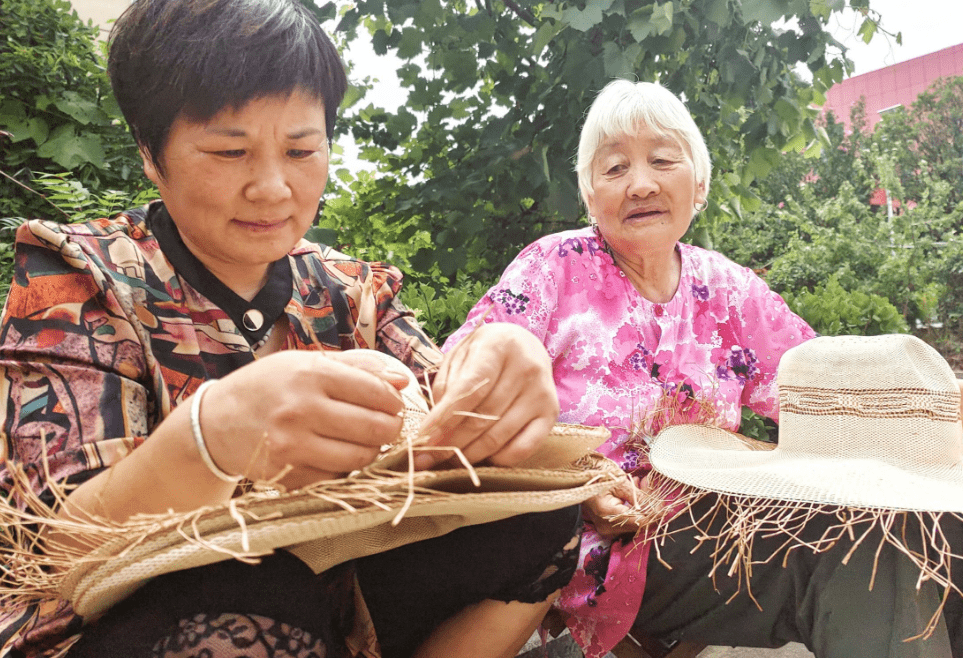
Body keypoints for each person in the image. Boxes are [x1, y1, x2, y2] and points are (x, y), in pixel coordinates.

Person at [0, 1, 581, 657]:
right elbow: (56, 549)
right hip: (133, 623)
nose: (273, 188)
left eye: (302, 149)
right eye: (229, 150)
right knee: (253, 585)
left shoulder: (351, 292)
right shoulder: (80, 277)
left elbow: (439, 402)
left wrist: (497, 366)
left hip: (333, 600)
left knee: (542, 515)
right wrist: (208, 437)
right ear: (150, 155)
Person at [445, 79, 961, 658]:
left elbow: (822, 392)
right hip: (609, 542)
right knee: (864, 553)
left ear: (700, 185)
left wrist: (935, 410)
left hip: (728, 519)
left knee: (939, 529)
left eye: (663, 160)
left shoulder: (728, 290)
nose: (641, 182)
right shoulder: (554, 268)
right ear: (589, 195)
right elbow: (469, 382)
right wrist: (579, 483)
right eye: (614, 168)